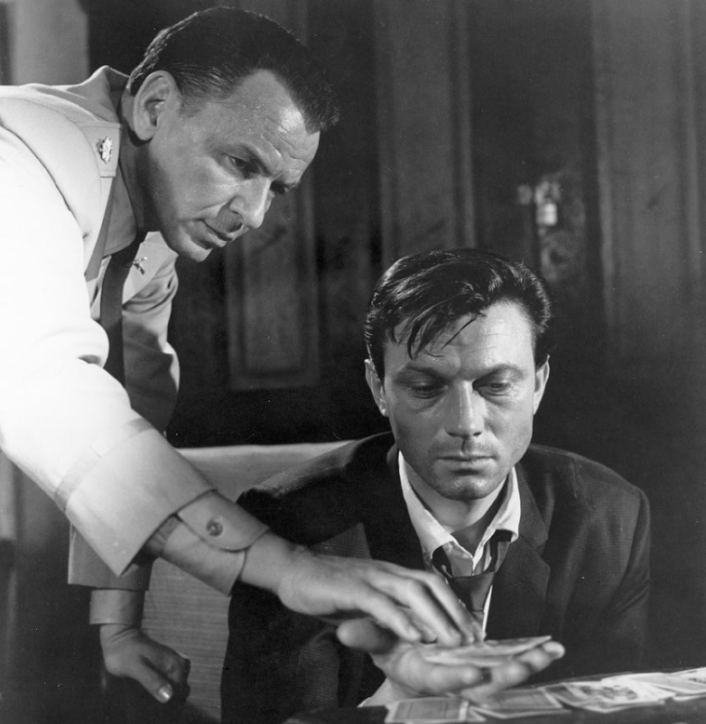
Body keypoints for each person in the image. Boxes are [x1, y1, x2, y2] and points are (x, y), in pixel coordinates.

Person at [0, 7, 482, 705]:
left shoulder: (147, 232)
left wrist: (118, 618)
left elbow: (133, 407)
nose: (254, 215)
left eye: (275, 188)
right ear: (155, 105)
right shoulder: (19, 159)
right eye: (239, 164)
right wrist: (288, 569)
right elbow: (47, 385)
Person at [220, 248, 650, 721]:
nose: (466, 424)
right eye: (426, 388)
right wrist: (396, 699)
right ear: (379, 389)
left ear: (538, 385)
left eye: (496, 385)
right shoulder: (287, 525)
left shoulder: (608, 515)